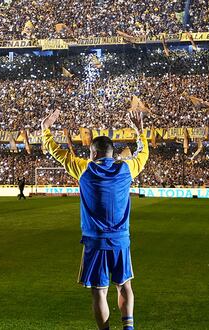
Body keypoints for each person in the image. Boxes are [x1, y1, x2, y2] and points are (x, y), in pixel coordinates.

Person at [42, 109, 148, 330]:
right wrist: (140, 130)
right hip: (120, 239)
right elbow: (143, 153)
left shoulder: (84, 169)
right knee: (124, 285)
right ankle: (128, 328)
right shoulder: (127, 168)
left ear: (93, 154)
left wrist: (46, 131)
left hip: (95, 240)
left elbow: (59, 154)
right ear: (112, 152)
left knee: (100, 291)